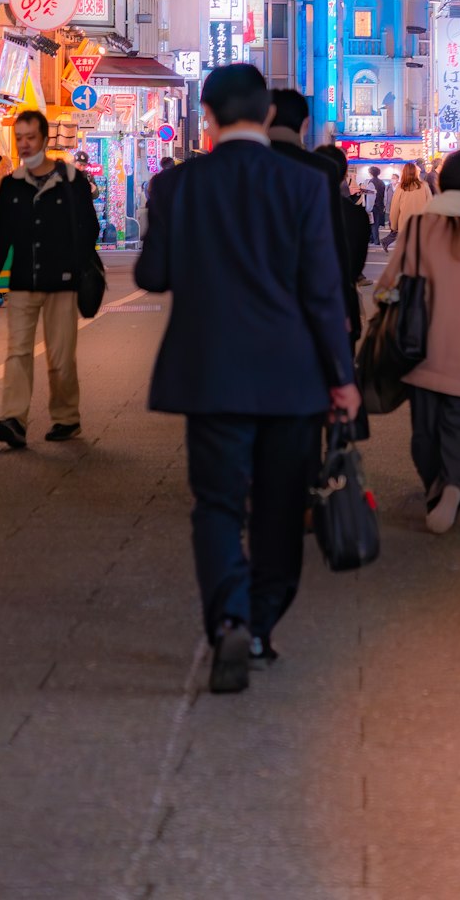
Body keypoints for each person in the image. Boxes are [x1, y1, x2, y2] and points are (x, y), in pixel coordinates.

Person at [137, 65, 359, 695]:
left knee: (216, 503)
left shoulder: (176, 186)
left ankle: (228, 616)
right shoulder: (303, 185)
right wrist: (340, 377)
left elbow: (153, 276)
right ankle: (260, 626)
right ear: (267, 117)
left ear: (206, 115)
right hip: (291, 379)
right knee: (281, 508)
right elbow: (322, 292)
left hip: (208, 372)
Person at [377, 150, 460, 534]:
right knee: (457, 427)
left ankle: (437, 486)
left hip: (422, 347)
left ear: (443, 182)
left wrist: (386, 303)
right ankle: (452, 485)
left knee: (424, 433)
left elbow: (387, 285)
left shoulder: (420, 227)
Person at [0, 109, 100, 450]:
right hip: (22, 283)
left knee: (60, 357)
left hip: (62, 283)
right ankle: (13, 419)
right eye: (19, 138)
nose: (25, 144)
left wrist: (74, 264)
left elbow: (89, 227)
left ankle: (66, 417)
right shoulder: (12, 184)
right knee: (17, 352)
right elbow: (0, 236)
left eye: (31, 137)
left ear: (45, 140)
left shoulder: (71, 179)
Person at [269, 90, 360, 343]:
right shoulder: (320, 170)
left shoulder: (241, 165)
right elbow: (333, 246)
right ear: (305, 123)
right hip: (307, 303)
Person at [318, 142, 371, 323]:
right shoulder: (356, 215)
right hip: (344, 304)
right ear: (344, 173)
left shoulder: (298, 208)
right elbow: (357, 264)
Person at [388, 160, 430, 239]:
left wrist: (394, 226)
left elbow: (394, 209)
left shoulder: (401, 187)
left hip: (404, 226)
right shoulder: (424, 186)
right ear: (416, 172)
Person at [364, 165, 387, 245]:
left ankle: (376, 241)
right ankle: (372, 239)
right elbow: (385, 195)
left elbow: (371, 196)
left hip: (373, 205)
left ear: (370, 173)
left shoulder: (371, 182)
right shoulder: (382, 182)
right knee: (376, 223)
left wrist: (368, 208)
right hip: (380, 205)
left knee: (373, 224)